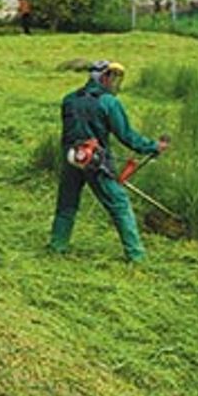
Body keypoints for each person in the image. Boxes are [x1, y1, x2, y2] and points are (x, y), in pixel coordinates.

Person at [49, 60, 169, 262]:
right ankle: (136, 255)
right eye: (111, 77)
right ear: (101, 78)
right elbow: (127, 136)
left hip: (71, 158)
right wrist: (153, 146)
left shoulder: (69, 99)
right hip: (95, 161)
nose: (113, 82)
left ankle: (57, 246)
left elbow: (69, 134)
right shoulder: (108, 103)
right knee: (119, 204)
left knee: (66, 205)